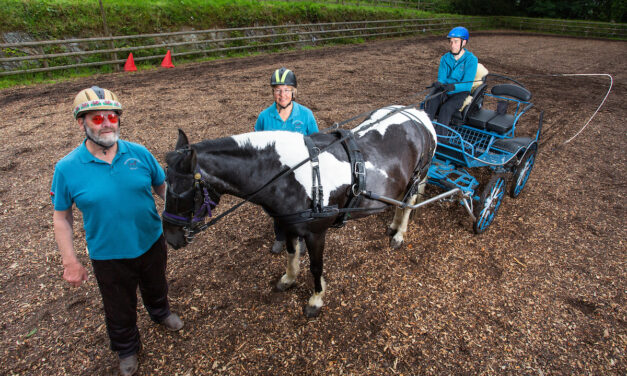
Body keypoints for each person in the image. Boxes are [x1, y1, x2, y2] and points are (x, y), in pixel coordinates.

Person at [51, 86, 183, 376]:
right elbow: (61, 217)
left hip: (150, 240)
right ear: (81, 123)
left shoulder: (139, 153)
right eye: (97, 119)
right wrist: (70, 261)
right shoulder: (67, 168)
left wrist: (181, 215)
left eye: (112, 116)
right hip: (108, 254)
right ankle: (126, 348)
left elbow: (162, 187)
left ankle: (160, 313)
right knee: (118, 305)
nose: (107, 123)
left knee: (157, 284)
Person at [254, 68, 319, 254]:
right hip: (275, 172)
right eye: (278, 90)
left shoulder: (305, 115)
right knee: (277, 206)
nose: (282, 94)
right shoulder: (264, 117)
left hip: (300, 172)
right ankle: (280, 236)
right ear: (273, 92)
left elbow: (316, 142)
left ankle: (302, 235)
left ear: (293, 92)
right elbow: (258, 145)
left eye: (286, 90)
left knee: (302, 205)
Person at [424, 26, 478, 126]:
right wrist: (439, 83)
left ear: (464, 42)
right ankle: (426, 131)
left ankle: (441, 138)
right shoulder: (445, 58)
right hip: (445, 89)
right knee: (430, 101)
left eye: (456, 42)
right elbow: (442, 78)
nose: (452, 45)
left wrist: (454, 87)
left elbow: (467, 85)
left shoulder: (471, 60)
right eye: (451, 42)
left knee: (446, 108)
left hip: (460, 92)